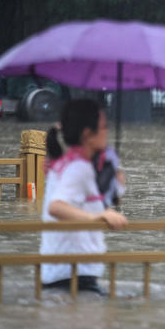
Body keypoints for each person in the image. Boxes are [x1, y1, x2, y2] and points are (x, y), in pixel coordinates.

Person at [41, 99, 128, 295]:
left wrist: (115, 170)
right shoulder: (78, 168)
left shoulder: (74, 163)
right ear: (88, 134)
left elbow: (109, 198)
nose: (107, 131)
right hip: (72, 275)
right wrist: (97, 217)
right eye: (104, 127)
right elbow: (56, 207)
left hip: (69, 270)